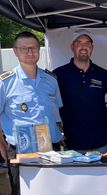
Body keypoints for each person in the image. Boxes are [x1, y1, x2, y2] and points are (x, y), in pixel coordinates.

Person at [0, 31, 63, 195]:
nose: (30, 52)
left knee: (52, 191)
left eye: (33, 48)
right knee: (22, 192)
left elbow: (56, 113)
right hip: (21, 151)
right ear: (15, 51)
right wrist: (2, 146)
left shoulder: (51, 80)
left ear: (39, 50)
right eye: (24, 48)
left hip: (51, 150)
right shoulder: (5, 83)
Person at [53, 31, 107, 153]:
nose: (83, 47)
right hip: (72, 147)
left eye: (87, 43)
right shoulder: (59, 75)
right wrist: (57, 133)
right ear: (72, 47)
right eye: (79, 43)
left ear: (92, 48)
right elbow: (47, 107)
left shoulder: (103, 74)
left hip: (102, 145)